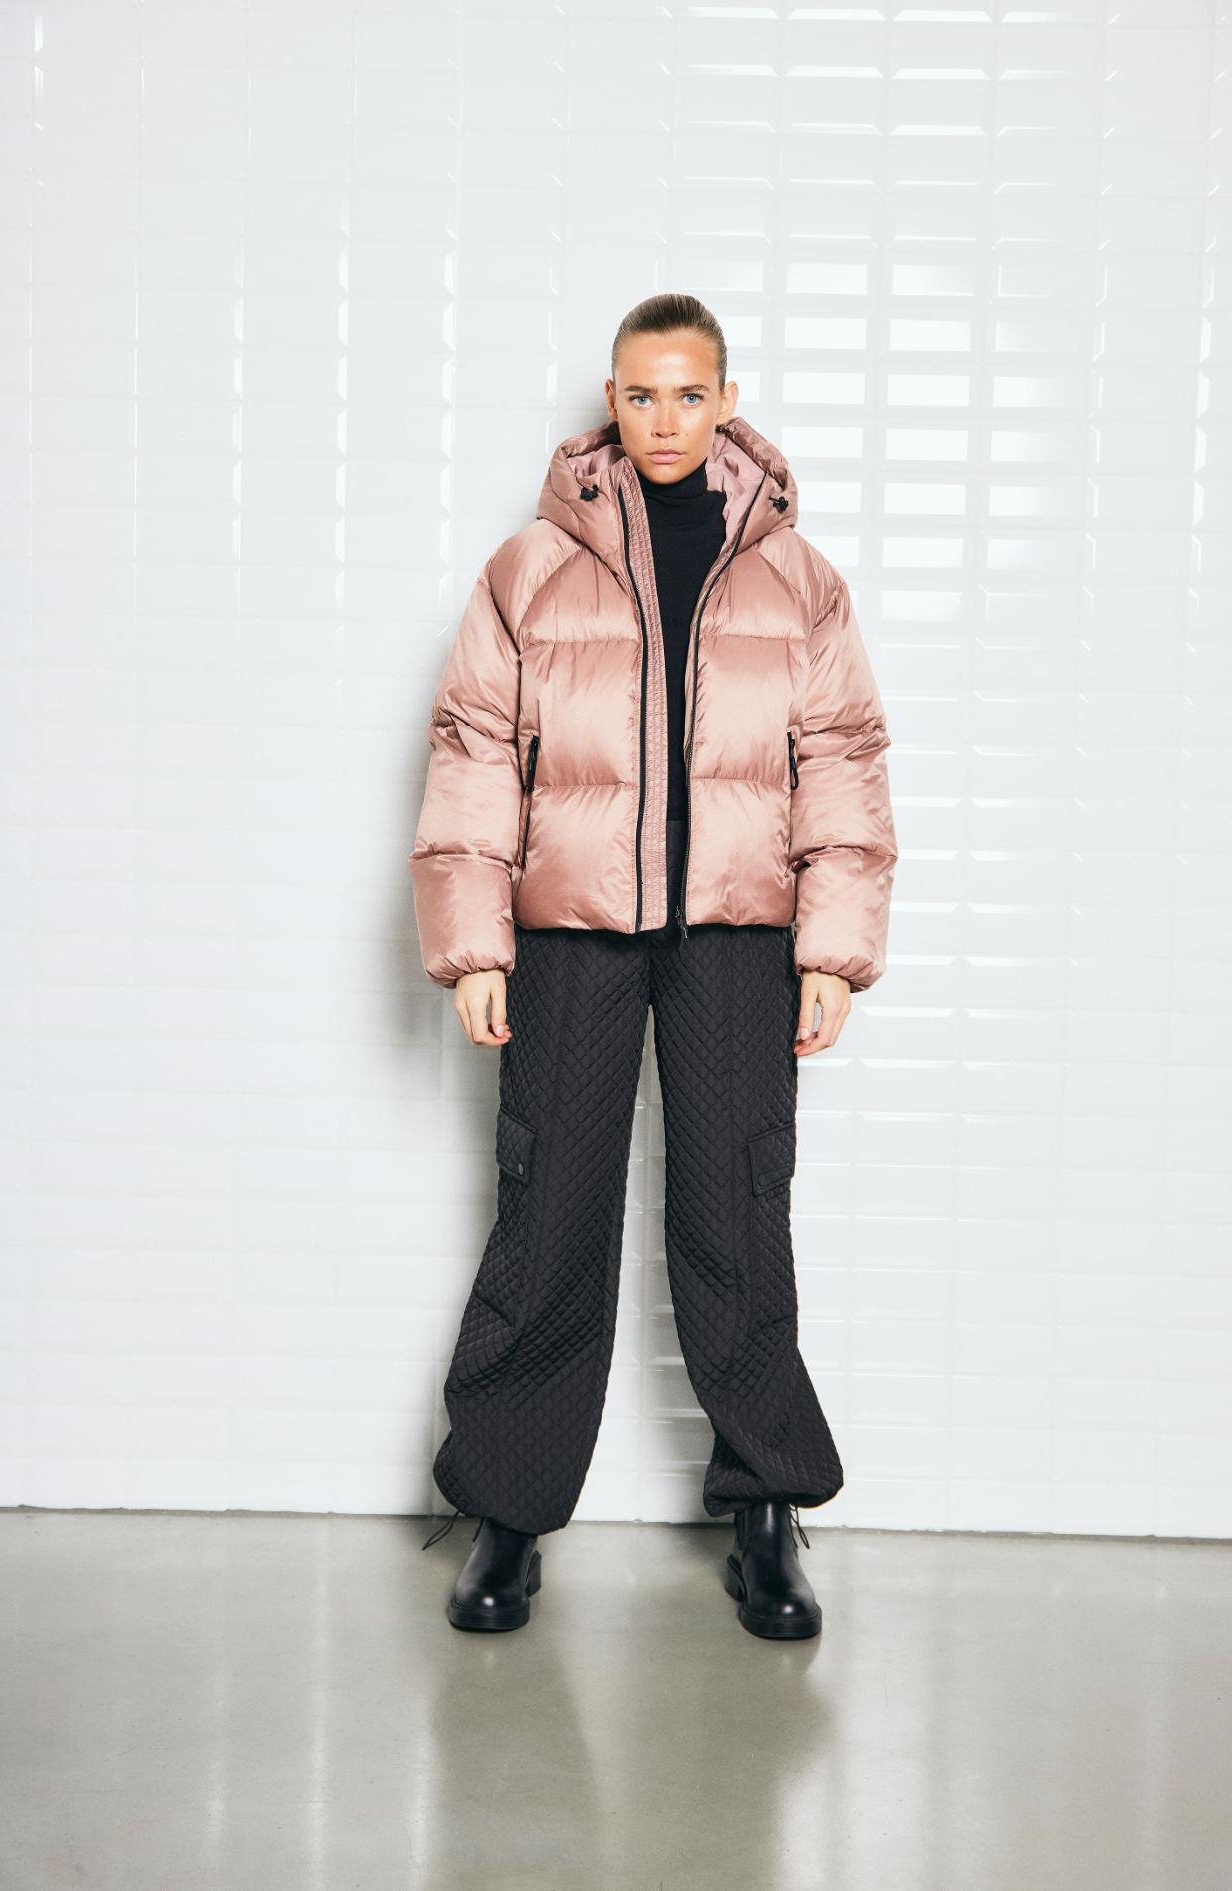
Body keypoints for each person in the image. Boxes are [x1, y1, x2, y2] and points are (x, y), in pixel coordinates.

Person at [408, 292, 898, 1639]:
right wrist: (473, 945)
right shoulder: (529, 569)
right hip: (569, 931)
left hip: (739, 934)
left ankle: (764, 1510)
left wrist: (832, 951)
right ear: (611, 403)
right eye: (640, 394)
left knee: (738, 1213)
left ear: (727, 400)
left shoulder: (800, 579)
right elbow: (471, 750)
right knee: (547, 1209)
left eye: (689, 394)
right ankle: (508, 1513)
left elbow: (842, 760)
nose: (664, 419)